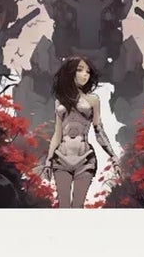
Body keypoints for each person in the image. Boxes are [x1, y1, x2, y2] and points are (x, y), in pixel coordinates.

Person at [45, 56, 117, 207]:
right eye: (80, 70)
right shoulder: (60, 100)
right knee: (63, 206)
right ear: (70, 72)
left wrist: (113, 156)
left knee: (78, 206)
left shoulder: (93, 100)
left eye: (88, 72)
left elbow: (98, 130)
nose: (85, 74)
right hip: (61, 158)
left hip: (85, 159)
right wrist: (48, 160)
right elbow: (57, 133)